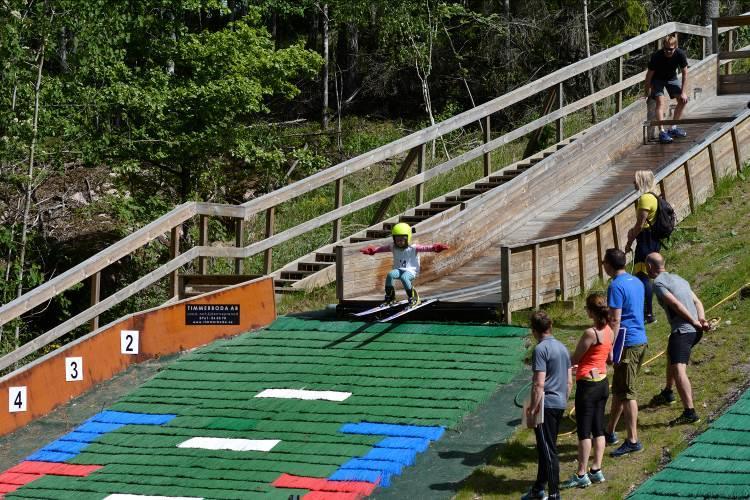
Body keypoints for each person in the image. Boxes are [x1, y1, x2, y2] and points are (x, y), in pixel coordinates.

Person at [645, 252, 709, 426]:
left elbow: (675, 304)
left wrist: (694, 321)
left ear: (650, 267)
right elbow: (697, 302)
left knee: (679, 369)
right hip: (695, 331)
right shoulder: (679, 279)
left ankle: (690, 412)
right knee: (671, 355)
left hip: (684, 330)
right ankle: (667, 392)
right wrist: (702, 319)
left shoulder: (658, 283)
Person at [561, 293, 613, 489]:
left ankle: (581, 473)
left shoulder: (591, 333)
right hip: (602, 383)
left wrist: (572, 364)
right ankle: (596, 469)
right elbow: (606, 357)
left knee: (584, 432)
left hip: (588, 387)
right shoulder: (609, 331)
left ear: (591, 312)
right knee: (598, 428)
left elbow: (575, 358)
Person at [602, 248, 648, 457]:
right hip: (640, 340)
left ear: (609, 265)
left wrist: (609, 348)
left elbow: (615, 320)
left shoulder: (615, 286)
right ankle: (610, 431)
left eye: (604, 262)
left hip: (627, 344)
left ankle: (632, 440)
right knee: (620, 390)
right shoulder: (636, 281)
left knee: (628, 393)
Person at [522, 311, 572, 500]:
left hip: (546, 405)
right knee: (545, 447)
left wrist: (533, 408)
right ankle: (538, 489)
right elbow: (569, 381)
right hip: (559, 403)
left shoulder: (540, 350)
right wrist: (563, 400)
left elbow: (538, 384)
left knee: (549, 451)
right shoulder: (562, 347)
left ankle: (554, 493)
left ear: (534, 331)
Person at [359, 222, 448, 306]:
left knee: (404, 277)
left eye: (402, 240)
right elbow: (381, 249)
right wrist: (373, 250)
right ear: (394, 239)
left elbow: (426, 248)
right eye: (397, 240)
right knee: (390, 274)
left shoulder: (413, 248)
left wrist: (436, 247)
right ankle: (390, 297)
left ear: (407, 238)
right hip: (399, 270)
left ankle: (413, 297)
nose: (399, 242)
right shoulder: (393, 246)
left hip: (411, 271)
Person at [625, 170, 660, 324]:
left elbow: (640, 225)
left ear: (641, 181)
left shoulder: (645, 198)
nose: (633, 183)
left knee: (642, 276)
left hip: (645, 240)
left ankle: (648, 313)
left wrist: (630, 239)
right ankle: (647, 312)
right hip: (653, 239)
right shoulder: (655, 197)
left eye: (635, 180)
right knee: (645, 275)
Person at [645, 34, 689, 144]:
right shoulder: (657, 56)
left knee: (683, 100)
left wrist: (683, 92)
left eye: (670, 49)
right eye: (665, 49)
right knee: (660, 102)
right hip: (657, 79)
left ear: (675, 47)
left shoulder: (680, 54)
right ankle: (662, 132)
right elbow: (649, 76)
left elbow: (685, 74)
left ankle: (673, 128)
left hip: (671, 78)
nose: (667, 52)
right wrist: (646, 92)